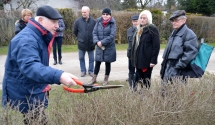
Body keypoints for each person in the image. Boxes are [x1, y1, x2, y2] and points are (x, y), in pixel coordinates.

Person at [1, 5, 77, 124]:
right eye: (54, 22)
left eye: (58, 22)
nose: (57, 26)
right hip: (25, 93)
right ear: (41, 20)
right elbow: (31, 67)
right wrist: (59, 75)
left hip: (32, 91)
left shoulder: (38, 35)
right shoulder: (26, 39)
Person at [160, 10, 198, 83]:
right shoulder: (174, 32)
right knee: (164, 92)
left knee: (175, 92)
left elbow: (191, 52)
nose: (174, 23)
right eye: (173, 21)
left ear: (184, 20)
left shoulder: (189, 34)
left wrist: (178, 66)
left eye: (176, 20)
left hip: (178, 71)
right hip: (167, 68)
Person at [130, 10, 160, 89]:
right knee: (139, 78)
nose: (142, 20)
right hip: (138, 59)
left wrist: (153, 60)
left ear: (148, 19)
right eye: (141, 18)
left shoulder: (152, 29)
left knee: (146, 79)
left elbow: (156, 46)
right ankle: (140, 95)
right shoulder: (139, 29)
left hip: (147, 60)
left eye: (144, 18)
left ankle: (146, 94)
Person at [88, 8, 117, 85]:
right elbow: (94, 33)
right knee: (97, 62)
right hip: (99, 46)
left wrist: (102, 42)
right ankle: (94, 78)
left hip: (109, 47)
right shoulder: (98, 21)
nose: (105, 16)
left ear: (110, 15)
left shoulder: (112, 23)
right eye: (103, 14)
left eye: (107, 14)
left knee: (107, 63)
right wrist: (97, 41)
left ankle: (106, 79)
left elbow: (112, 35)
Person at [73, 6, 96, 77]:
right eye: (82, 12)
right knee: (81, 58)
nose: (83, 13)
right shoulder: (77, 21)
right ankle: (83, 71)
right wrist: (80, 38)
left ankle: (91, 71)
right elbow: (75, 31)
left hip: (91, 43)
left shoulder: (94, 22)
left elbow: (95, 32)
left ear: (88, 12)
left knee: (91, 59)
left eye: (85, 12)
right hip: (81, 44)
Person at [126, 14, 139, 89]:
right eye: (134, 21)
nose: (135, 23)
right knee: (131, 71)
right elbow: (129, 42)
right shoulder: (129, 30)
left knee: (138, 71)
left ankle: (136, 85)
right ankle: (132, 87)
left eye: (136, 21)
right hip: (131, 54)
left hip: (138, 55)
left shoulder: (142, 30)